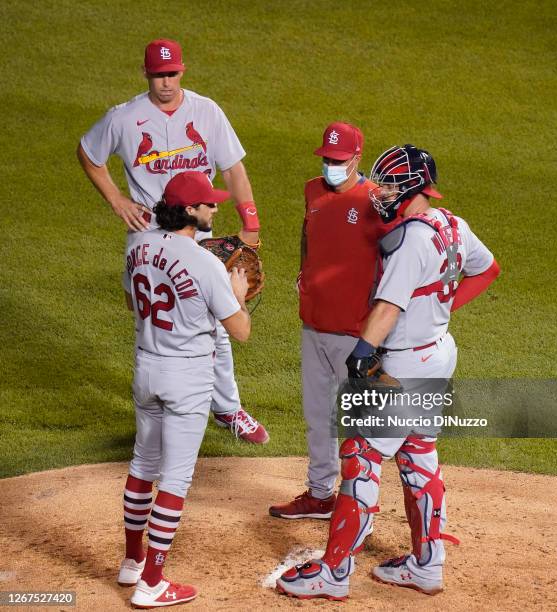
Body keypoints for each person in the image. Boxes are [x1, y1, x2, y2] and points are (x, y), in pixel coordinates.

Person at [276, 144, 500, 600]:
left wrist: (362, 351)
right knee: (418, 455)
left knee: (360, 454)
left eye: (392, 184)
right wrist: (436, 309)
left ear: (414, 187)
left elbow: (388, 306)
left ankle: (334, 573)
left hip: (402, 362)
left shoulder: (413, 239)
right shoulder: (453, 225)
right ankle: (426, 565)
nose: (382, 190)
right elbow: (488, 269)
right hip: (437, 352)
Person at [77, 38, 267, 444]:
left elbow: (232, 169)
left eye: (173, 73)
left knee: (216, 319)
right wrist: (116, 199)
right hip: (148, 230)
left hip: (197, 228)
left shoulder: (207, 111)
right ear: (146, 73)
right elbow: (88, 153)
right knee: (149, 318)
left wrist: (250, 220)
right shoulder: (124, 118)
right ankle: (160, 402)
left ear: (183, 70)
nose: (166, 82)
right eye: (159, 74)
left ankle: (228, 408)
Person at [119, 171, 251, 608]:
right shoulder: (205, 262)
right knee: (175, 478)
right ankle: (152, 583)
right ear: (190, 211)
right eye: (208, 204)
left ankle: (132, 562)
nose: (215, 208)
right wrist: (238, 294)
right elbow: (240, 330)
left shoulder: (136, 244)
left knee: (142, 464)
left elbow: (130, 301)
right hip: (187, 377)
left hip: (146, 367)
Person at [269, 122, 387, 519]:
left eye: (338, 160)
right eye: (326, 159)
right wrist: (305, 273)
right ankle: (320, 495)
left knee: (359, 424)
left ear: (357, 158)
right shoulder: (312, 190)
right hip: (313, 325)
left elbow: (392, 259)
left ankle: (359, 502)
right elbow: (309, 236)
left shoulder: (376, 200)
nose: (330, 166)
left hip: (355, 334)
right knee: (318, 418)